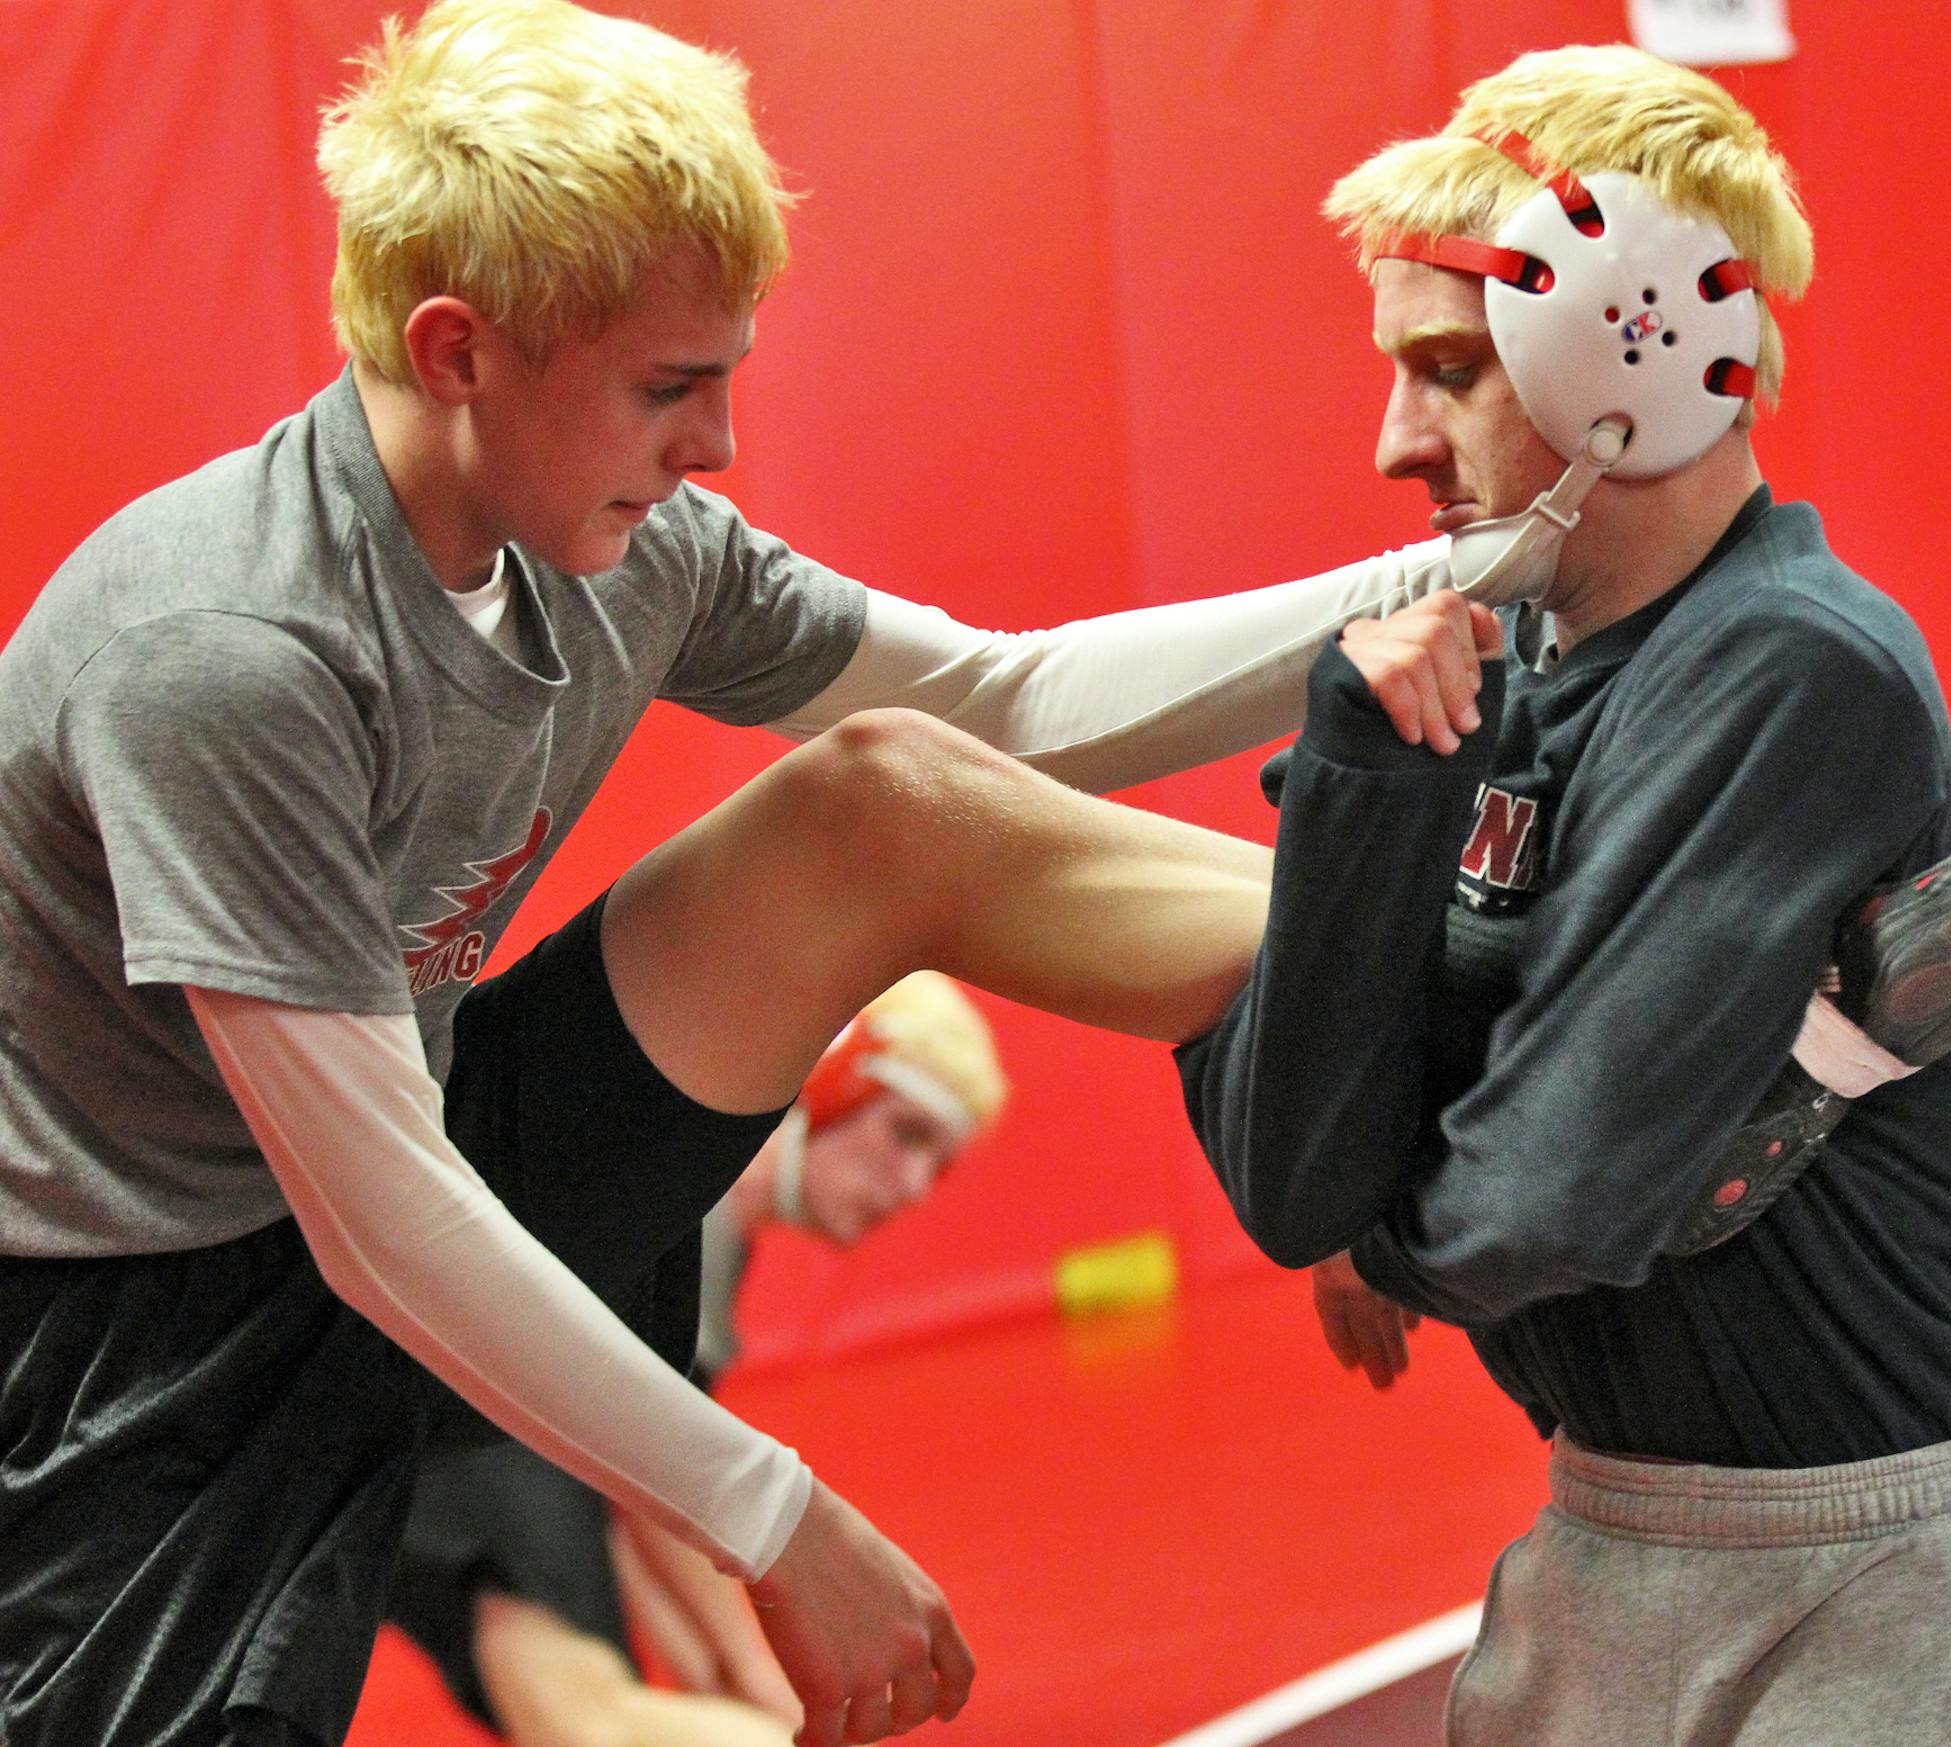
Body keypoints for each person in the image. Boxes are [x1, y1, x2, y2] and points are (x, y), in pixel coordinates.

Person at [0, 2, 1471, 1742]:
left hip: (415, 1160)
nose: (717, 448)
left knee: (887, 801)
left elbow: (1011, 699)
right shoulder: (230, 655)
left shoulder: (635, 549)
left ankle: (1487, 1012)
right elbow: (377, 1216)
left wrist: (1487, 562)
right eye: (667, 388)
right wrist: (775, 1516)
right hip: (120, 1338)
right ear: (460, 348)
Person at [1175, 44, 1951, 1744]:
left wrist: (1394, 1189)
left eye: (1448, 367)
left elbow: (1520, 1213)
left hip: (1868, 1581)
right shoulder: (1498, 674)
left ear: (1648, 349)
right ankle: (1789, 1084)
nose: (1395, 437)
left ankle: (1791, 1087)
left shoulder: (1791, 668)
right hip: (1602, 1537)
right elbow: (1295, 1189)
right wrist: (1361, 786)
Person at [386, 974, 1007, 1747]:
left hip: (458, 1423)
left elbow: (630, 1491)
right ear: (828, 1079)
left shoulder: (692, 1207)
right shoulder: (692, 1212)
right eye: (905, 1133)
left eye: (937, 1165)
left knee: (592, 1716)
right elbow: (661, 1482)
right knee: (590, 1725)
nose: (913, 1187)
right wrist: (756, 1679)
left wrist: (722, 1672)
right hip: (463, 1431)